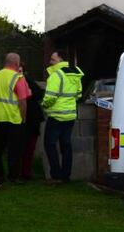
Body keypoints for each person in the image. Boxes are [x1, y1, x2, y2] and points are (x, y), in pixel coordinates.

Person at [0, 52, 31, 183]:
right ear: (17, 64)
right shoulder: (18, 77)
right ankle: (13, 176)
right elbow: (22, 101)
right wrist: (23, 117)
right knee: (14, 150)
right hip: (13, 119)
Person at [43, 50, 84, 183]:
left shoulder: (56, 75)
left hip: (56, 117)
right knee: (66, 146)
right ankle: (66, 176)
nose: (50, 62)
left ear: (60, 59)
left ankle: (56, 174)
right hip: (70, 116)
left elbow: (50, 97)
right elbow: (78, 95)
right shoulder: (75, 74)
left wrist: (44, 105)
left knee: (50, 144)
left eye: (52, 59)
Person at [19, 63, 45, 180]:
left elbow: (39, 93)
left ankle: (26, 172)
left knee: (29, 147)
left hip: (31, 118)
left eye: (21, 71)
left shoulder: (27, 81)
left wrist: (29, 94)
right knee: (23, 147)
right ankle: (23, 172)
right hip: (22, 118)